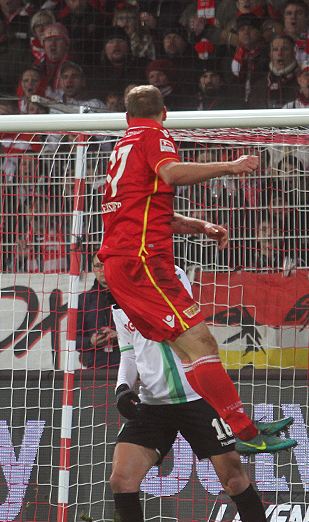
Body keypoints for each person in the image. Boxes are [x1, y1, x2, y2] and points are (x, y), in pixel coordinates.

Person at [97, 85, 294, 456]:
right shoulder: (153, 135)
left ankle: (245, 427)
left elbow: (148, 212)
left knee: (191, 350)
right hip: (143, 263)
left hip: (124, 263)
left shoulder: (122, 147)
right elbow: (171, 173)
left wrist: (199, 225)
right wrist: (230, 165)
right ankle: (244, 430)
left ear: (126, 117)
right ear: (164, 114)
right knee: (201, 345)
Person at [108, 263, 295, 522]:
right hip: (152, 404)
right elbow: (129, 352)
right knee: (121, 479)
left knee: (234, 480)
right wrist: (123, 387)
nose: (103, 270)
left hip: (196, 398)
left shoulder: (170, 275)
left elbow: (169, 324)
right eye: (99, 266)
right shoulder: (118, 300)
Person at [76, 256, 120, 369]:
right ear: (94, 269)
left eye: (106, 265)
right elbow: (74, 340)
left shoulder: (128, 297)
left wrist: (119, 335)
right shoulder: (83, 300)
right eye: (98, 266)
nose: (102, 270)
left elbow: (143, 334)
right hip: (96, 367)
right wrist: (91, 341)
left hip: (126, 363)